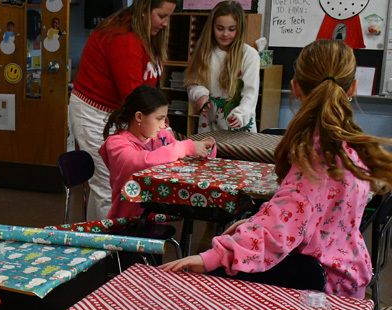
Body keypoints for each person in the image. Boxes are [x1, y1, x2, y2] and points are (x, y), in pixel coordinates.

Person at [162, 40, 392, 310]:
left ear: (295, 88)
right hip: (345, 275)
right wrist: (248, 226)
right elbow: (298, 213)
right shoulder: (348, 144)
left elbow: (283, 229)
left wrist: (215, 255)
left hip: (316, 284)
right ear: (354, 86)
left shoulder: (315, 152)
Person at [69, 0, 177, 222]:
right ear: (144, 9)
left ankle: (103, 240)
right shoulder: (124, 39)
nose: (166, 23)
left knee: (122, 181)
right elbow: (135, 96)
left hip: (121, 113)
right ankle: (108, 251)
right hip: (95, 112)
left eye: (169, 17)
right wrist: (162, 128)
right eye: (161, 16)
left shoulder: (146, 33)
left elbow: (148, 90)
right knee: (109, 185)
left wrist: (162, 126)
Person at [99, 85, 215, 220]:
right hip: (128, 221)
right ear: (139, 117)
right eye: (159, 119)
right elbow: (141, 162)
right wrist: (185, 147)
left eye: (164, 119)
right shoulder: (116, 144)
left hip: (158, 214)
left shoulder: (161, 136)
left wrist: (204, 149)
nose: (163, 125)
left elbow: (184, 159)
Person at [184, 1, 260, 132]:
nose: (225, 34)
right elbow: (193, 84)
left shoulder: (249, 55)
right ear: (212, 27)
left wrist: (241, 114)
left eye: (232, 29)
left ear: (240, 28)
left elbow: (250, 93)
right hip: (209, 128)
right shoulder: (204, 53)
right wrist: (200, 95)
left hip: (241, 129)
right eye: (220, 28)